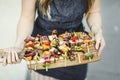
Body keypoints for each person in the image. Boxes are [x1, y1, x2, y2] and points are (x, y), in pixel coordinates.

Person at [3, 0, 105, 80]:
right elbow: (26, 17)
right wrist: (18, 45)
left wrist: (97, 31)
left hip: (77, 49)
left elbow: (93, 11)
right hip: (43, 52)